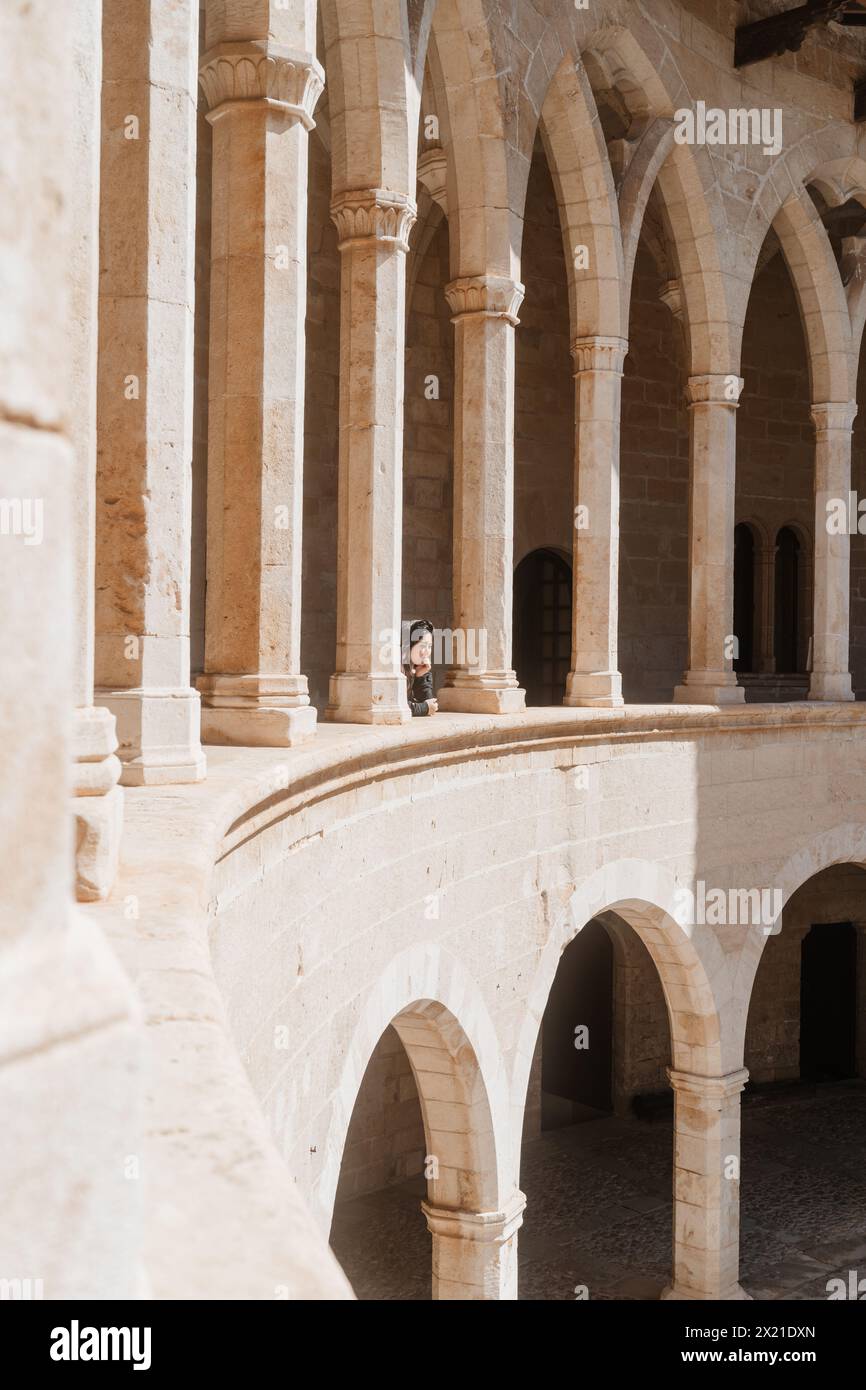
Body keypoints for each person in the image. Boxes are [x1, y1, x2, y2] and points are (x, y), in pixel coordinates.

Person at [403, 618, 438, 716]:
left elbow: (430, 702)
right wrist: (424, 708)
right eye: (423, 646)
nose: (427, 651)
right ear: (409, 645)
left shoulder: (417, 667)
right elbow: (395, 706)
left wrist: (420, 676)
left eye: (429, 646)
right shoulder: (396, 668)